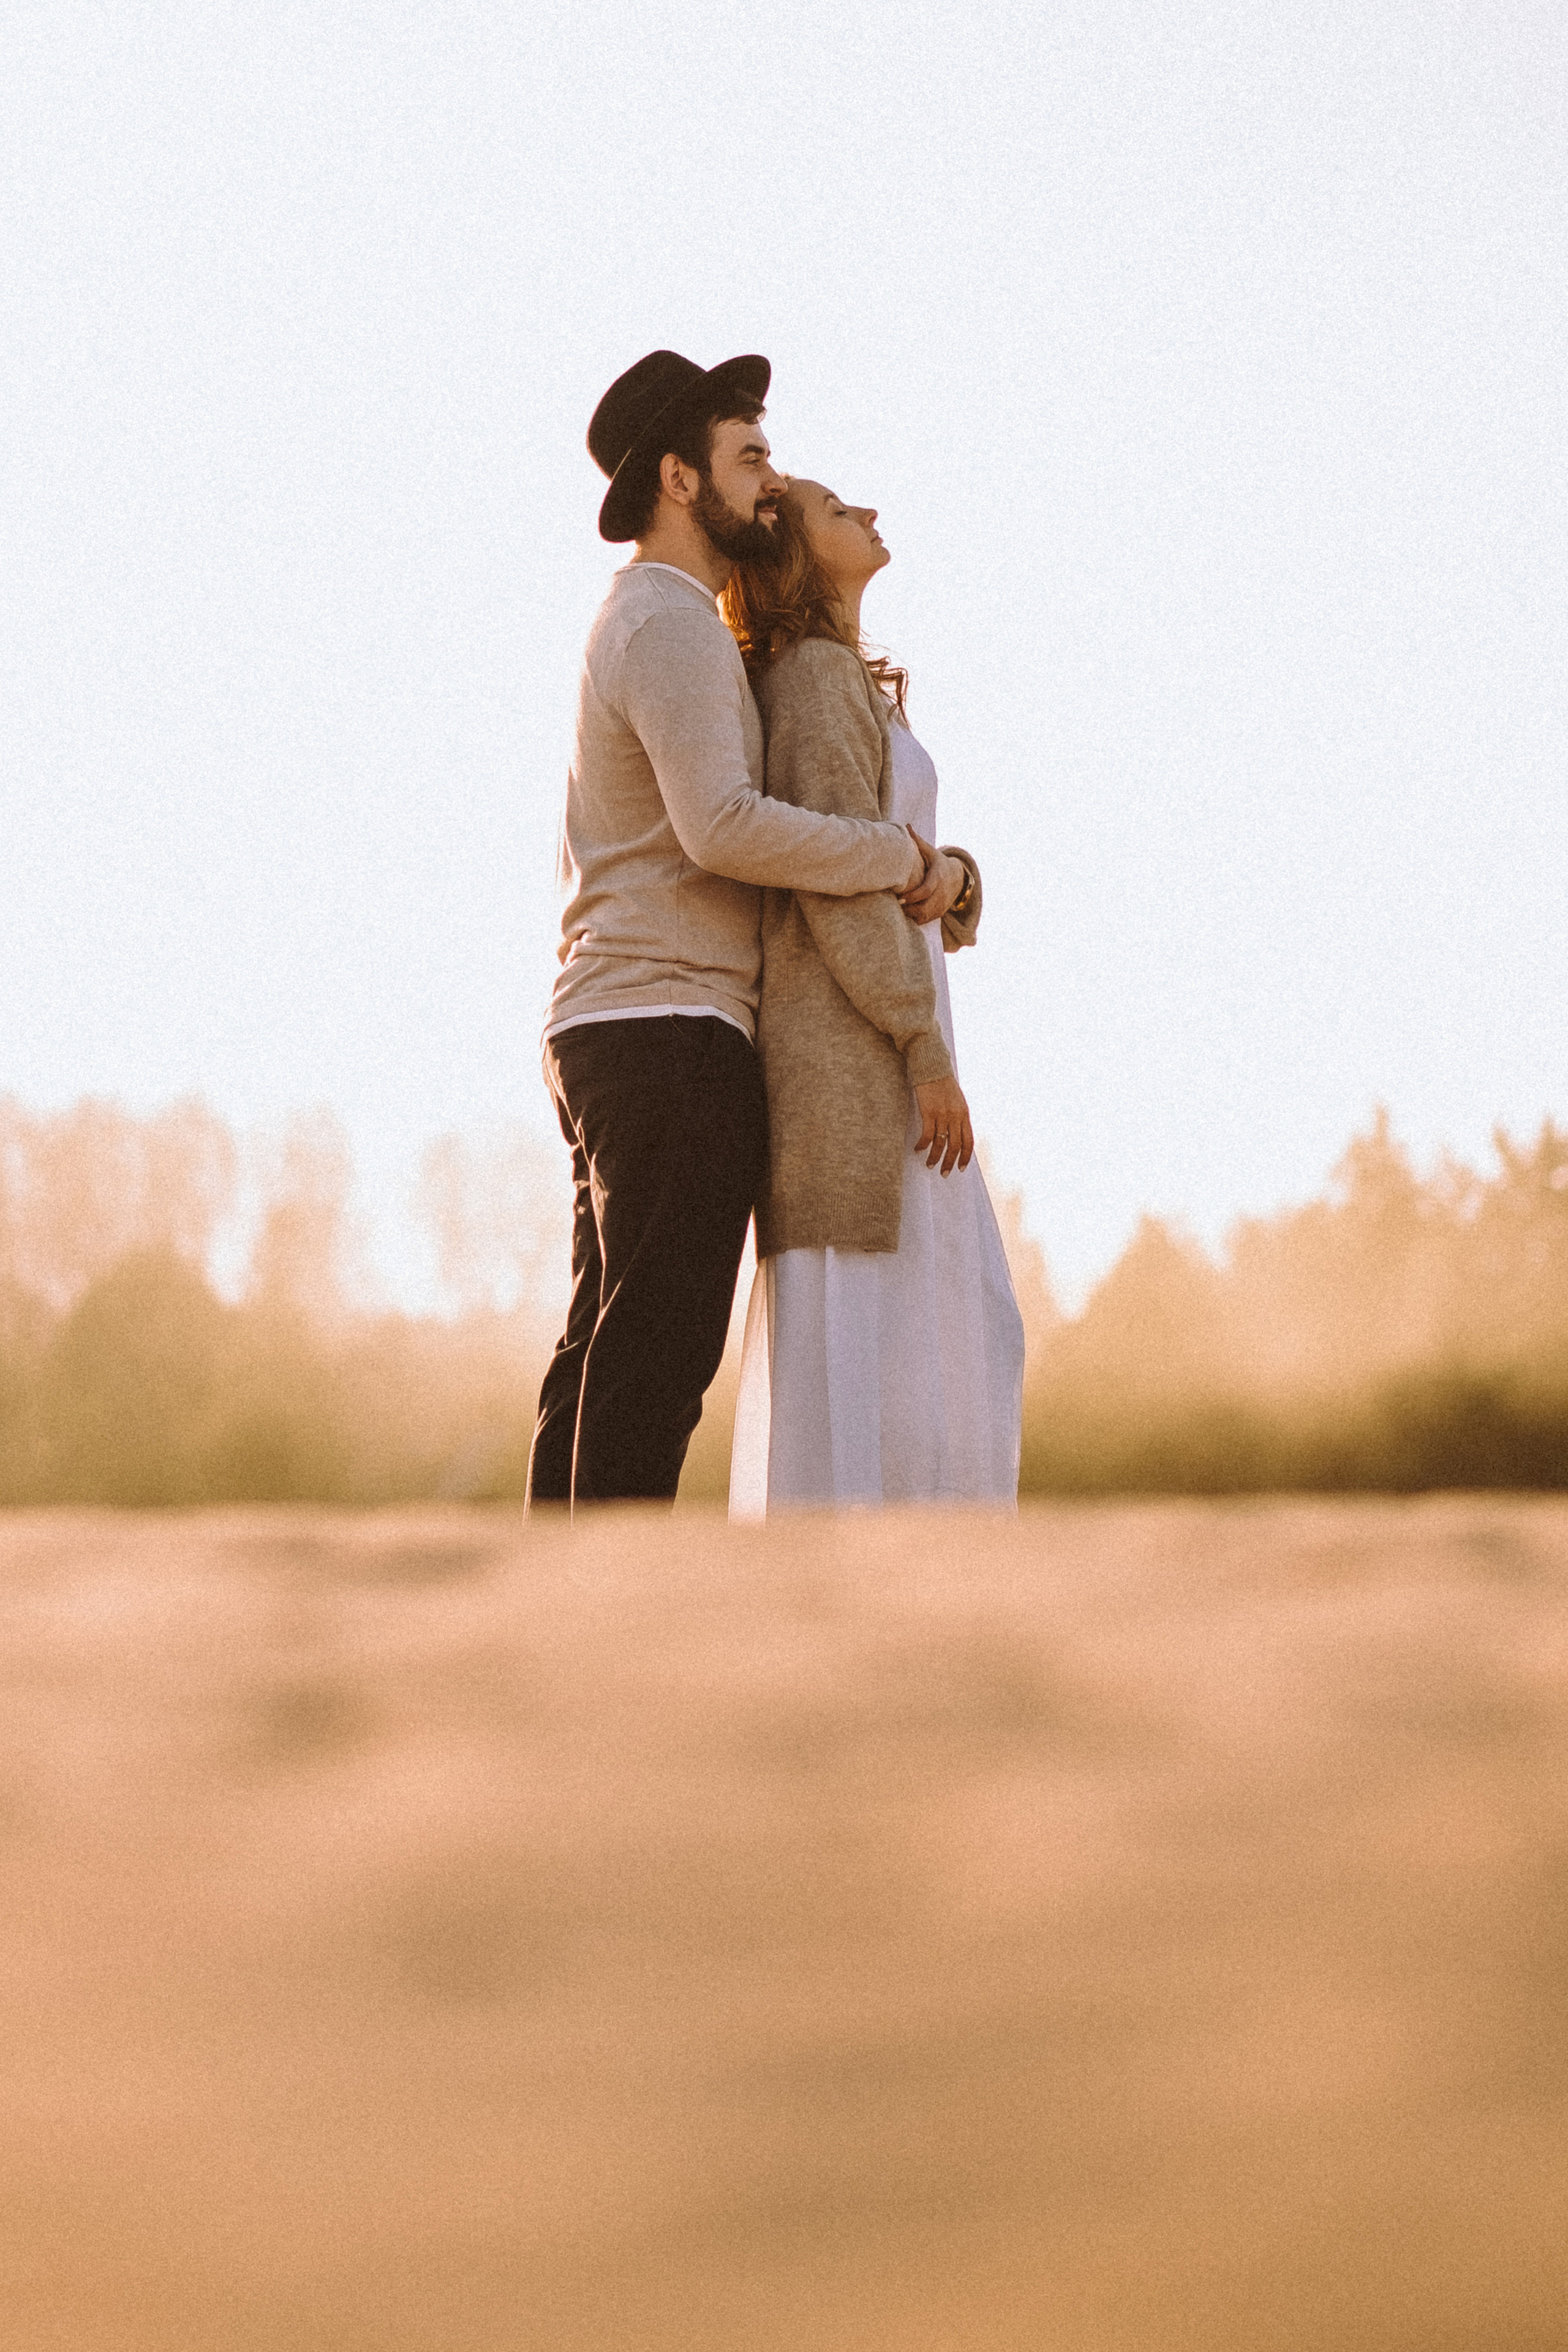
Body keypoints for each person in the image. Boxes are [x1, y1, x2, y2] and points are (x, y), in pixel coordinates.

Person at [527, 354, 931, 1509]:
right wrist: (899, 858)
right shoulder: (670, 623)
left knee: (605, 1347)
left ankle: (554, 1594)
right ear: (678, 479)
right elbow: (722, 827)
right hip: (669, 1030)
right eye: (749, 458)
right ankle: (610, 1595)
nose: (771, 483)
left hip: (619, 1023)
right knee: (655, 1357)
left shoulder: (646, 621)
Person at [723, 481, 1026, 1510]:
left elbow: (894, 857)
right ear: (796, 554)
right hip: (856, 1065)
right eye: (836, 508)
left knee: (947, 1335)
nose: (870, 512)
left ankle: (930, 1577)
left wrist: (957, 878)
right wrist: (922, 1049)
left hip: (894, 1039)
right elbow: (838, 890)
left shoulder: (844, 678)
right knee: (879, 1349)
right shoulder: (811, 677)